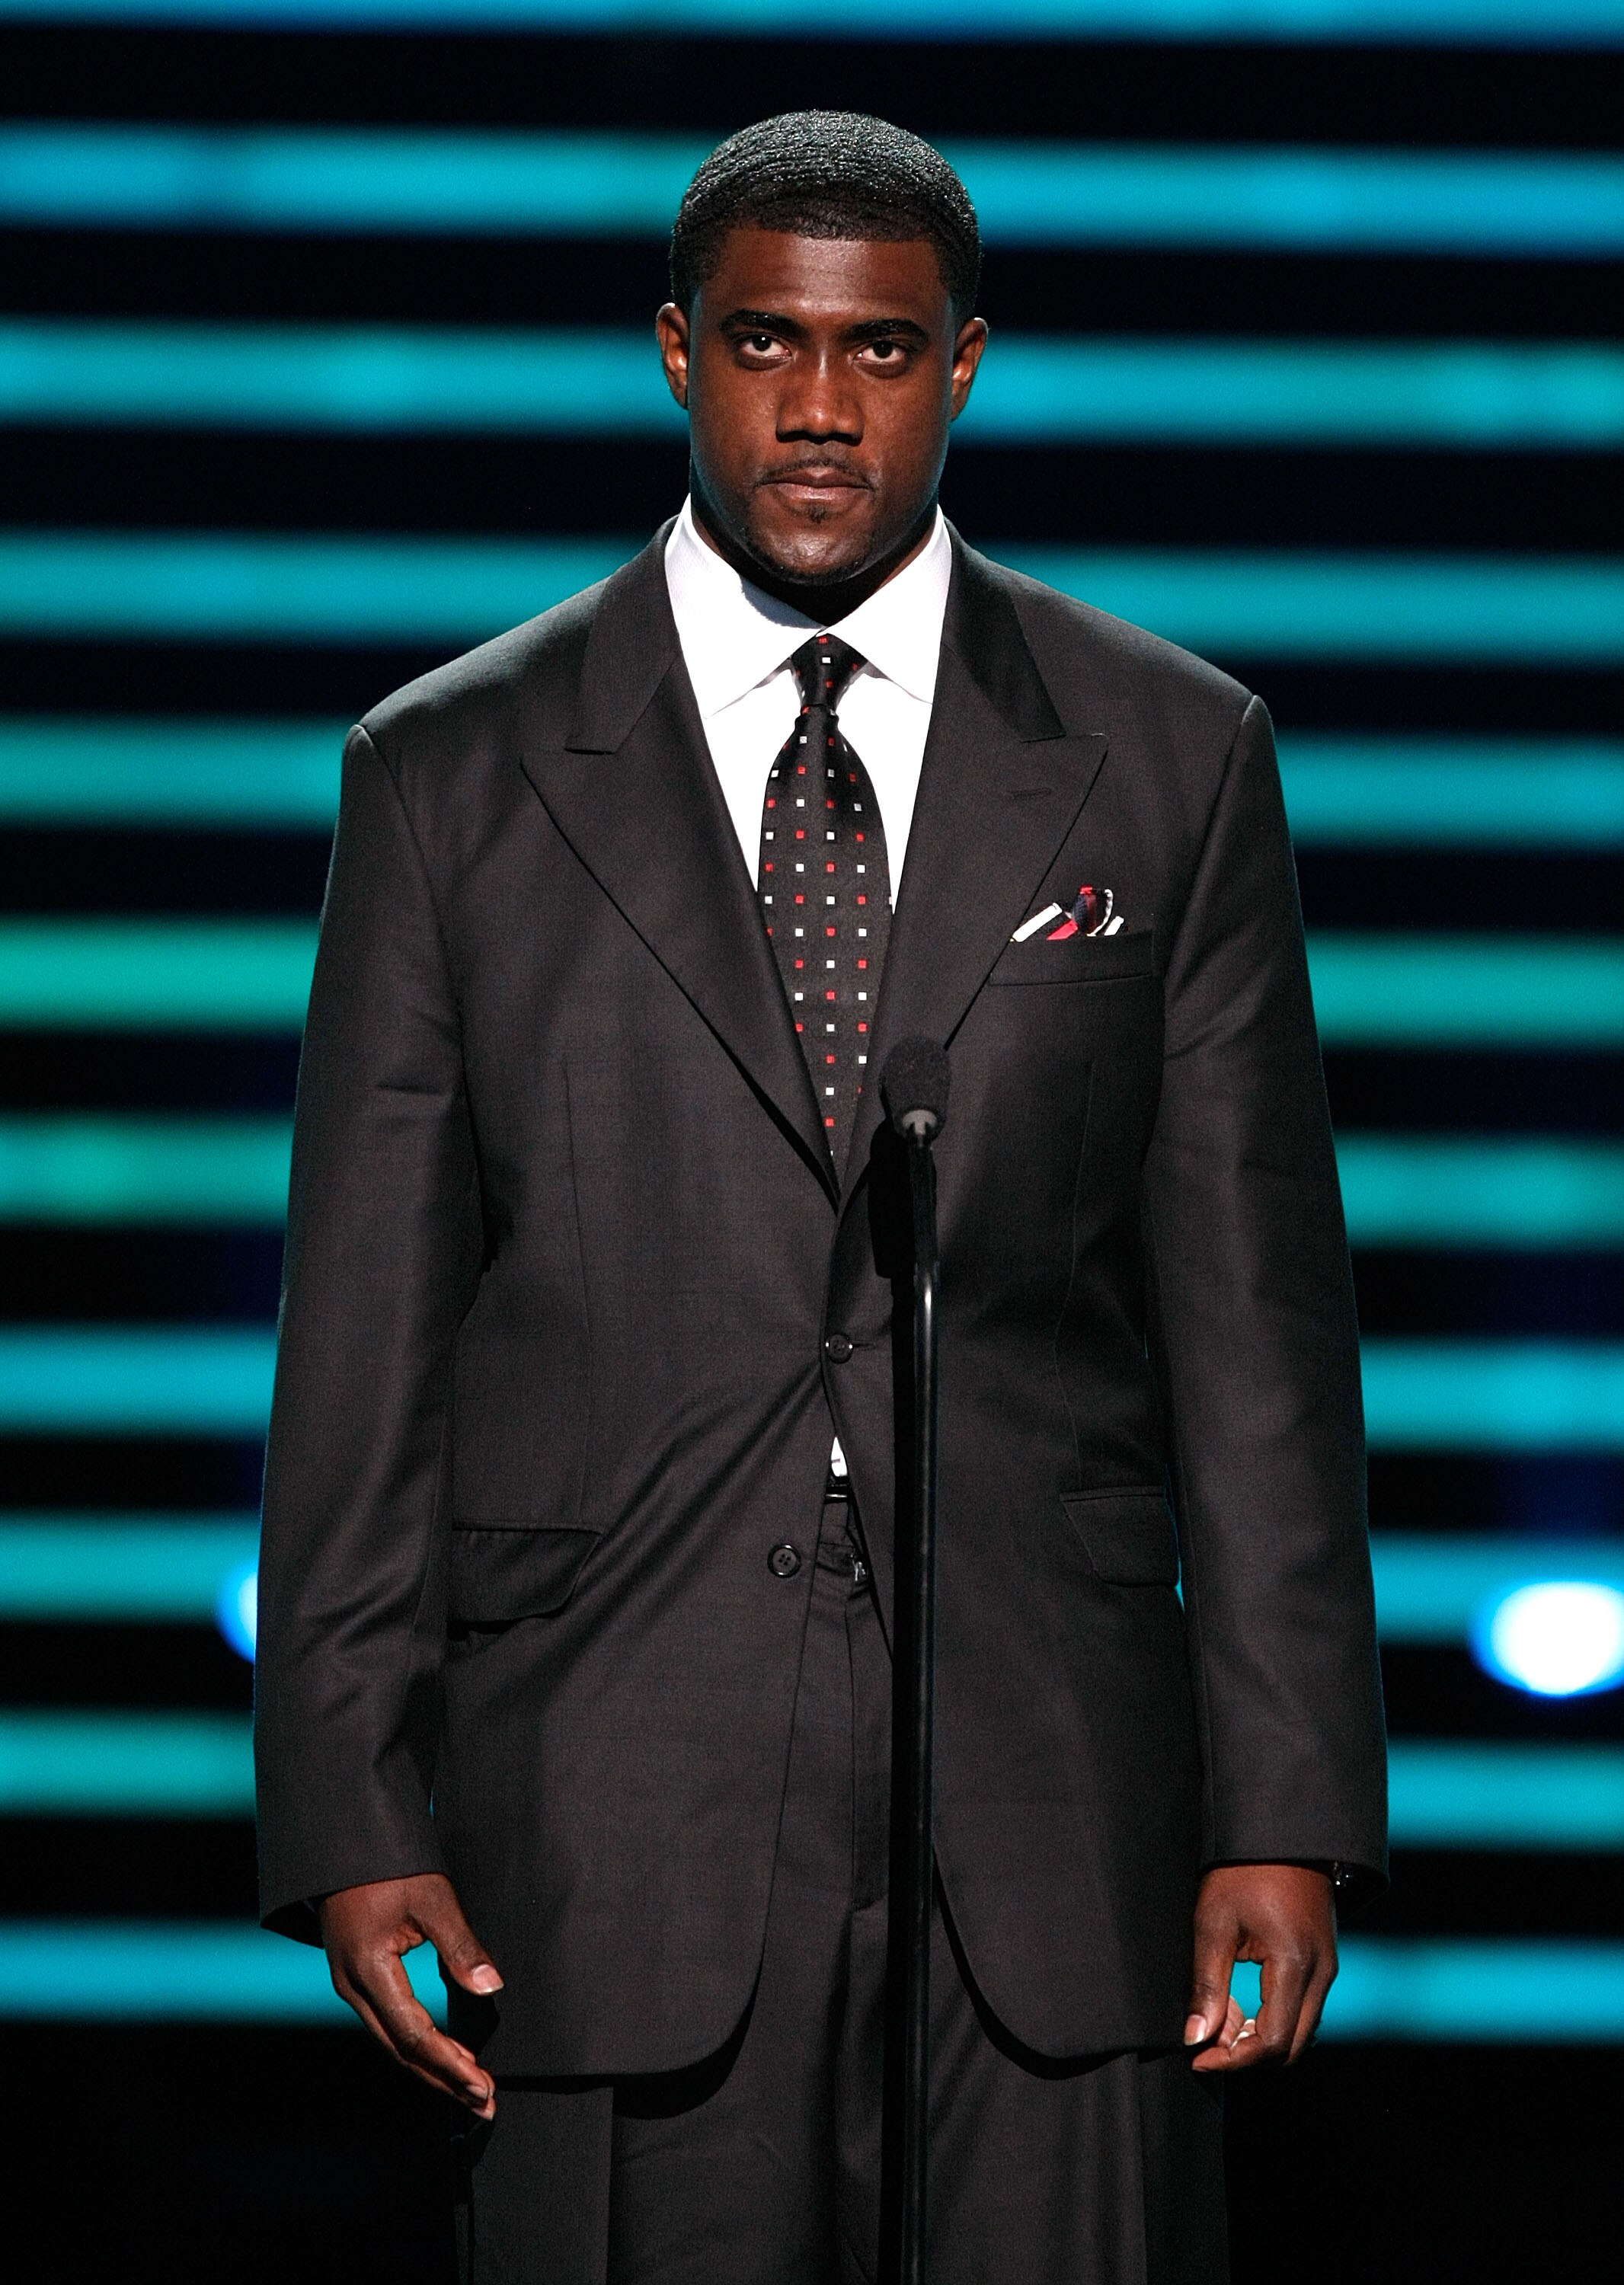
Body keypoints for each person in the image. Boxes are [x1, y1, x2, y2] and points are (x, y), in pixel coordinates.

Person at [254, 111, 1386, 2284]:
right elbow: (367, 1332)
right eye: (766, 343)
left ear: (962, 366)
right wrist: (348, 1809)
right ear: (674, 351)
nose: (815, 406)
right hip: (603, 1798)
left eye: (878, 354)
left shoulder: (1169, 758)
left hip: (1053, 1802)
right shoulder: (450, 773)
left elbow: (1254, 1320)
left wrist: (1286, 1804)